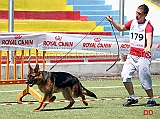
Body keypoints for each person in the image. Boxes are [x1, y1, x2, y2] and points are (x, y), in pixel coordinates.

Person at [106, 4, 157, 106]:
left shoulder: (148, 26)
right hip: (132, 56)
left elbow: (149, 37)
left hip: (143, 57)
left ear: (145, 15)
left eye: (139, 14)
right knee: (124, 76)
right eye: (136, 12)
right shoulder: (133, 22)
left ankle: (152, 99)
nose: (137, 15)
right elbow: (121, 28)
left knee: (144, 80)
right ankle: (132, 97)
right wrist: (112, 21)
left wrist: (147, 47)